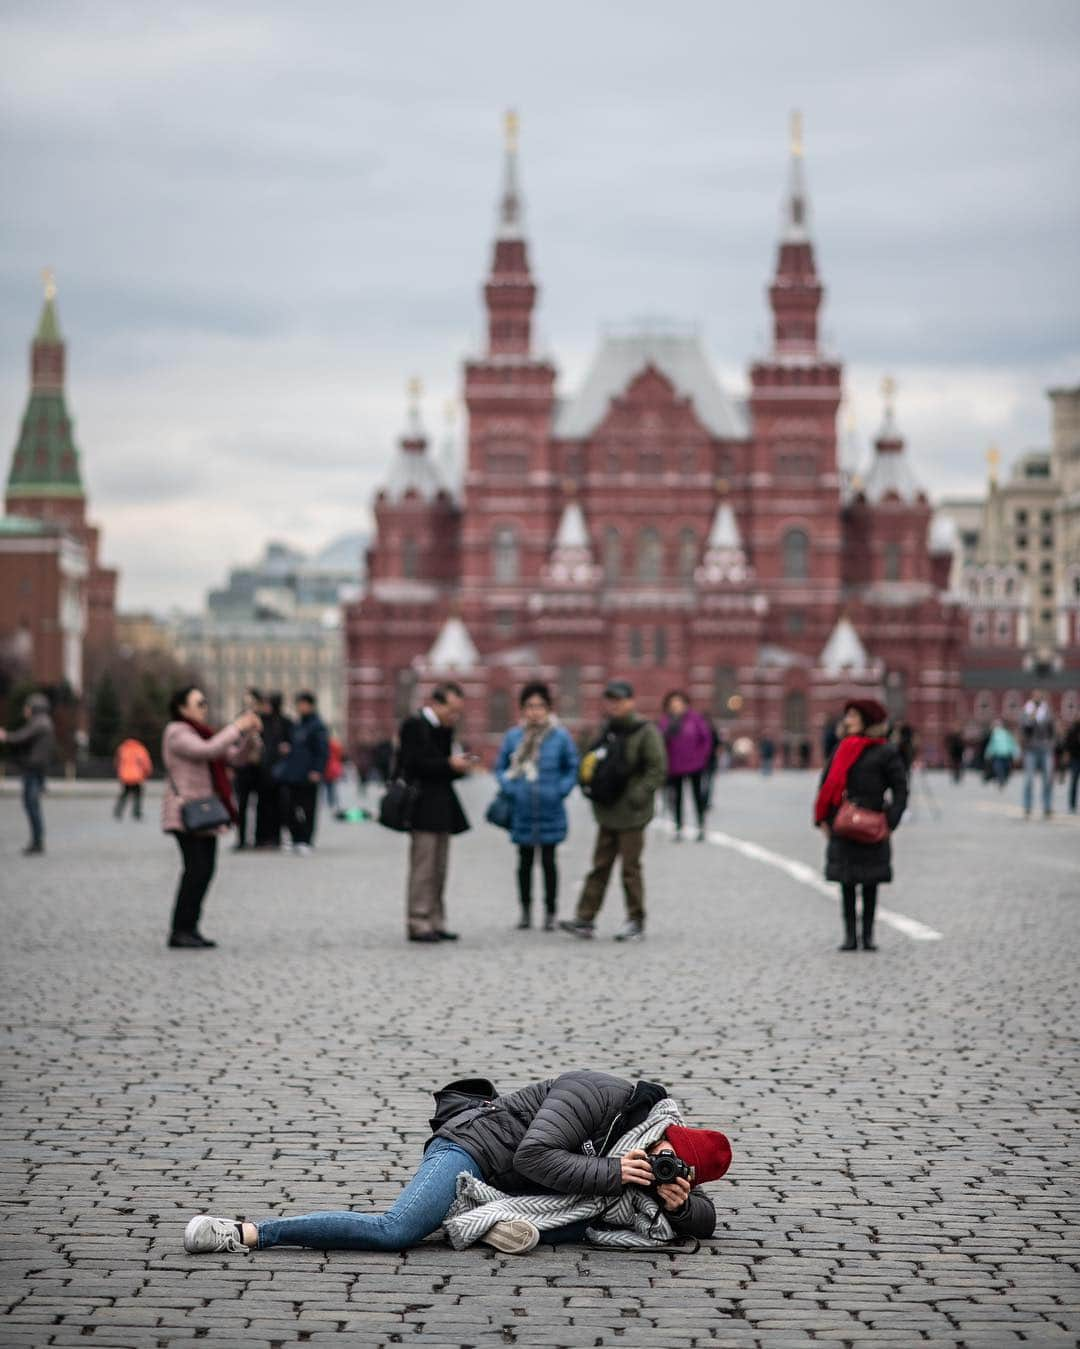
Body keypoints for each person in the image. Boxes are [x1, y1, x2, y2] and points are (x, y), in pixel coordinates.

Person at [183, 1068, 731, 1256]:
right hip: (474, 1150)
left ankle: (488, 1221)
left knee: (590, 1221)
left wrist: (680, 1210)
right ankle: (249, 1232)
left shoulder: (666, 1171)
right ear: (662, 1131)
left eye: (675, 1168)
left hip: (513, 1187)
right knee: (400, 1230)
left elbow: (703, 1223)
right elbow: (534, 1155)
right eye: (665, 1155)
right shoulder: (599, 1093)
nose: (660, 1165)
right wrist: (613, 1173)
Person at [561, 680, 667, 942]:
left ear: (631, 701)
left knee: (630, 869)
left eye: (619, 700)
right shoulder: (607, 729)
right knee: (600, 866)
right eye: (610, 700)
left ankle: (635, 920)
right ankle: (585, 919)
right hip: (607, 810)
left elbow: (657, 768)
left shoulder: (645, 731)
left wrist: (638, 795)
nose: (614, 705)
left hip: (632, 813)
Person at [161, 686, 261, 949]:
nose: (204, 707)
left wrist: (248, 736)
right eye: (199, 703)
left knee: (205, 871)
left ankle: (191, 928)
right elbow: (206, 750)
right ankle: (179, 930)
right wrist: (236, 726)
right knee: (195, 871)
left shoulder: (201, 732)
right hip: (186, 812)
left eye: (205, 703)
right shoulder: (177, 733)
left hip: (206, 811)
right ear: (182, 708)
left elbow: (231, 757)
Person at [814, 697, 908, 953]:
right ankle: (849, 936)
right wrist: (823, 819)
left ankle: (867, 935)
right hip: (844, 823)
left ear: (867, 720)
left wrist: (891, 820)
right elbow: (826, 785)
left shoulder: (886, 751)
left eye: (854, 716)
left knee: (870, 882)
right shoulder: (842, 747)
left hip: (874, 824)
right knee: (846, 881)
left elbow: (901, 788)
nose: (848, 720)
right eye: (848, 716)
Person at [495, 682, 579, 930]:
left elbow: (571, 767)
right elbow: (500, 768)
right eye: (530, 706)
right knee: (524, 862)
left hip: (550, 807)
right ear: (522, 709)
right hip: (522, 808)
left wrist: (560, 790)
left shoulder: (560, 736)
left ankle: (550, 911)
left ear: (548, 708)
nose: (535, 711)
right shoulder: (513, 737)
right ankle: (525, 911)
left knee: (550, 862)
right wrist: (511, 789)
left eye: (540, 706)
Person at [397, 683, 473, 943]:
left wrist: (458, 766)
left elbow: (441, 768)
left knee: (440, 868)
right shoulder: (414, 726)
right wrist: (448, 763)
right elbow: (413, 764)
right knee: (423, 868)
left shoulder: (444, 729)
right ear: (437, 704)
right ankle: (418, 921)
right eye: (452, 711)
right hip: (422, 807)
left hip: (442, 807)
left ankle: (436, 920)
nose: (455, 717)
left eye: (458, 712)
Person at [0, 692, 55, 856]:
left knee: (31, 805)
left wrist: (5, 736)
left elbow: (22, 737)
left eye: (27, 707)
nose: (25, 710)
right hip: (36, 768)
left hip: (33, 769)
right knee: (32, 805)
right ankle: (37, 840)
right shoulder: (43, 722)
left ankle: (37, 841)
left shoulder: (39, 723)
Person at [275, 691, 329, 856]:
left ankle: (306, 840)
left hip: (308, 774)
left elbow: (322, 751)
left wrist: (317, 770)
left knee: (308, 809)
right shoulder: (297, 725)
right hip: (293, 774)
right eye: (298, 704)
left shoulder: (317, 726)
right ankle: (296, 837)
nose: (300, 707)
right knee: (289, 807)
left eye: (302, 704)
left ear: (310, 705)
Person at [658, 691, 714, 842]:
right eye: (673, 704)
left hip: (695, 765)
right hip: (674, 766)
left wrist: (701, 757)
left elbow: (706, 739)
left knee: (697, 797)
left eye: (679, 703)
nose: (676, 706)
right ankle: (678, 828)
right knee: (676, 798)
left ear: (685, 704)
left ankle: (701, 826)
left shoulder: (695, 719)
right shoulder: (665, 721)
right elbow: (659, 741)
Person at [254, 692, 292, 848]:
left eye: (268, 704)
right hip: (262, 770)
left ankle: (275, 837)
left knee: (277, 806)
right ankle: (261, 838)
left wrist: (287, 747)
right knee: (261, 805)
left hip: (279, 771)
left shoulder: (285, 722)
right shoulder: (261, 721)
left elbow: (291, 743)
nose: (265, 707)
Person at [232, 688, 264, 850]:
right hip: (243, 768)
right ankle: (242, 839)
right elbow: (233, 741)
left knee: (260, 805)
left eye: (252, 701)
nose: (249, 705)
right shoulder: (240, 719)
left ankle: (259, 838)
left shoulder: (263, 720)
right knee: (242, 804)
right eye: (246, 701)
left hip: (260, 768)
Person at [1020, 691, 1055, 819]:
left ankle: (1047, 806)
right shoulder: (1026, 710)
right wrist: (1031, 718)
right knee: (1029, 779)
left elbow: (1052, 729)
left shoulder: (1047, 711)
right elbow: (1024, 728)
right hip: (1031, 749)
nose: (1038, 698)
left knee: (1048, 778)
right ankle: (1027, 807)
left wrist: (1051, 744)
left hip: (1045, 748)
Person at [113, 736, 153, 821]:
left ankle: (118, 811)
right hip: (136, 776)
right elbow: (145, 762)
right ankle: (136, 813)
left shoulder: (122, 748)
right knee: (138, 795)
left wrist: (120, 773)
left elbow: (117, 762)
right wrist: (147, 772)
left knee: (124, 794)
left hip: (125, 776)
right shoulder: (139, 749)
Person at [984, 719, 1018, 789]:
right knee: (998, 768)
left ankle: (1004, 779)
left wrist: (1015, 752)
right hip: (998, 755)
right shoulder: (994, 734)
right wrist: (988, 753)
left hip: (1006, 754)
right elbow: (992, 745)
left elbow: (1012, 743)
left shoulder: (1006, 733)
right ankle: (1001, 781)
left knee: (1006, 768)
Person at [323, 729, 344, 810]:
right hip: (333, 768)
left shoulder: (326, 745)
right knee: (332, 787)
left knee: (328, 787)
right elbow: (340, 756)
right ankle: (333, 803)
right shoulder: (336, 745)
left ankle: (330, 803)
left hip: (328, 768)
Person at [1065, 717, 1080, 815]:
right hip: (1075, 757)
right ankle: (1072, 804)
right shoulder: (1074, 728)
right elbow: (1067, 742)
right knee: (1074, 781)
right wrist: (1067, 755)